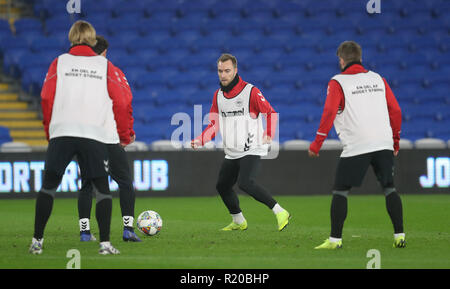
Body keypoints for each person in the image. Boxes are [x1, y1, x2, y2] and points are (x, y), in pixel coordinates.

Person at [29, 21, 132, 255]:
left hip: (62, 132)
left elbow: (46, 97)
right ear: (92, 38)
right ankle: (105, 244)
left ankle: (37, 241)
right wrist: (123, 135)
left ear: (71, 37)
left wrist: (50, 130)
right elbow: (122, 101)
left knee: (48, 187)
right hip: (92, 133)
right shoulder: (105, 65)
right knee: (101, 188)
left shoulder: (59, 62)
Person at [308, 41, 405, 249]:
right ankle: (399, 235)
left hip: (357, 145)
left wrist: (317, 143)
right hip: (384, 143)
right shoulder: (378, 79)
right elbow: (395, 111)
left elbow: (329, 112)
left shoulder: (338, 82)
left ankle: (335, 240)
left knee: (341, 191)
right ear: (360, 58)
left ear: (341, 60)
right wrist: (395, 140)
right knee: (389, 188)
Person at [191, 53, 290, 231]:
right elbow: (214, 125)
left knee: (245, 183)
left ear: (235, 70)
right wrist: (201, 139)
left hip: (252, 148)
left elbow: (271, 113)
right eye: (220, 71)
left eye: (227, 71)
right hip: (232, 152)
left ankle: (280, 211)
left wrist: (268, 133)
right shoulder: (218, 96)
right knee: (222, 186)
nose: (223, 75)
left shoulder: (250, 91)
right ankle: (238, 221)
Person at [77, 35, 141, 242]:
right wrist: (127, 132)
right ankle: (128, 229)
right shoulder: (116, 73)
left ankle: (85, 232)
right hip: (109, 135)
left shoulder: (81, 74)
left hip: (87, 135)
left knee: (87, 184)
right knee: (124, 182)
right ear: (105, 52)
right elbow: (125, 105)